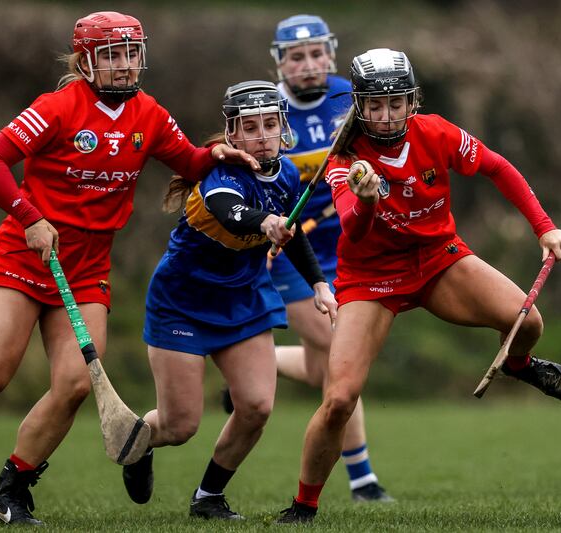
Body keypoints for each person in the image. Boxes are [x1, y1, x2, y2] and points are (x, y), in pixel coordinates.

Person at [277, 48, 561, 523]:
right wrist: (366, 200)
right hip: (370, 279)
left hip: (439, 261)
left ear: (411, 99)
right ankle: (304, 505)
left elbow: (498, 167)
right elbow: (354, 232)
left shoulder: (435, 131)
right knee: (338, 399)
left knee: (528, 321)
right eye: (374, 105)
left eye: (395, 102)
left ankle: (519, 365)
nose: (384, 115)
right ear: (358, 105)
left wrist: (543, 226)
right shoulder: (345, 160)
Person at [0, 11, 259, 526]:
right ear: (86, 61)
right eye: (111, 55)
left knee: (74, 385)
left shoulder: (150, 115)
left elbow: (188, 161)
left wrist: (215, 154)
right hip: (25, 257)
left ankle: (12, 488)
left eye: (130, 53)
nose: (123, 65)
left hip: (87, 269)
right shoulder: (58, 107)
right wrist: (28, 217)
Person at [120, 80, 337, 520]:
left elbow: (292, 234)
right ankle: (141, 440)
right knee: (180, 426)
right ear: (232, 133)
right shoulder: (218, 175)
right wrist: (268, 222)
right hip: (183, 300)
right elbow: (230, 213)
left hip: (244, 296)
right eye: (249, 126)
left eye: (270, 124)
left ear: (283, 128)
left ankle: (208, 498)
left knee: (256, 406)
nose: (261, 135)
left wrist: (318, 283)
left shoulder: (289, 173)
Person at [222, 14, 394, 502]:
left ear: (332, 53)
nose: (308, 64)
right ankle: (363, 480)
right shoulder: (267, 110)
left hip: (350, 248)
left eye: (317, 53)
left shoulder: (351, 99)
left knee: (329, 370)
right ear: (279, 60)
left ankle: (256, 363)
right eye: (296, 56)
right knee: (342, 354)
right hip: (292, 253)